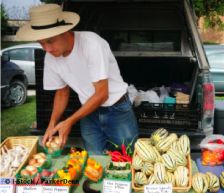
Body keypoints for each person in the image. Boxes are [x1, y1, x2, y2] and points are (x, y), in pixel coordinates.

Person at [16, 4, 138, 154]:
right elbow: (62, 92)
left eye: (50, 41)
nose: (46, 49)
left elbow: (102, 94)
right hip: (87, 112)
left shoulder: (91, 44)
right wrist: (52, 124)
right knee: (94, 161)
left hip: (117, 109)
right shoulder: (51, 57)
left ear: (65, 31)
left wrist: (69, 121)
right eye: (41, 43)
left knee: (128, 157)